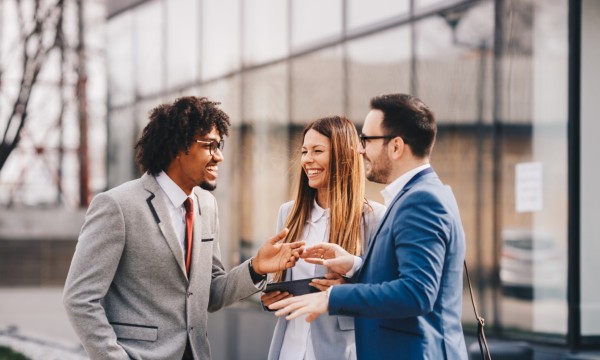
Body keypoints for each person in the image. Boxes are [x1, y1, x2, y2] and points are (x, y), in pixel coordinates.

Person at [63, 96, 305, 360]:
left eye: (220, 145)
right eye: (210, 146)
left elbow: (211, 293)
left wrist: (255, 267)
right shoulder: (117, 206)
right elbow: (80, 299)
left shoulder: (207, 205)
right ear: (178, 147)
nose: (219, 157)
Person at [269, 94, 469, 359]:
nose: (360, 150)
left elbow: (418, 292)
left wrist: (333, 298)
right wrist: (352, 264)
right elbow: (399, 278)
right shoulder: (418, 195)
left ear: (396, 146)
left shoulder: (421, 200)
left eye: (367, 140)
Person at [261, 116, 385, 360]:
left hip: (341, 351)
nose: (307, 160)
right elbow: (276, 278)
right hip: (289, 349)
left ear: (343, 157)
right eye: (305, 151)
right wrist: (270, 298)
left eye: (318, 151)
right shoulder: (288, 213)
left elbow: (385, 293)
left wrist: (347, 292)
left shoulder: (374, 218)